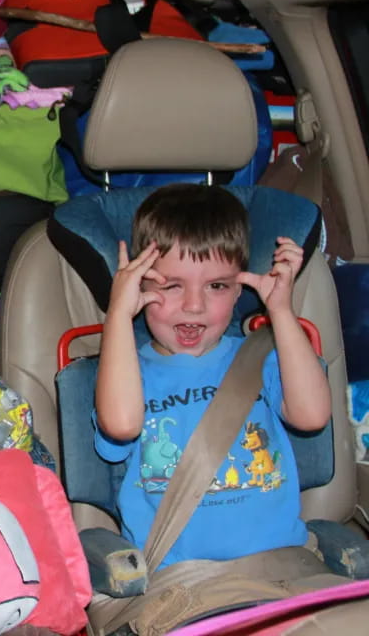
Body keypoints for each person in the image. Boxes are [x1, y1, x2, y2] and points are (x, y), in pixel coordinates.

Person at [94, 183, 331, 569]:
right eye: (172, 286)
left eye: (217, 286)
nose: (194, 305)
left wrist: (281, 312)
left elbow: (313, 415)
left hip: (283, 567)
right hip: (183, 580)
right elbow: (121, 425)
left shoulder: (260, 359)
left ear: (239, 290)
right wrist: (118, 314)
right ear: (139, 286)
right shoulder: (126, 375)